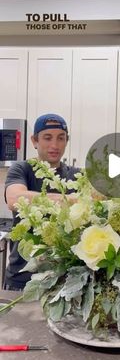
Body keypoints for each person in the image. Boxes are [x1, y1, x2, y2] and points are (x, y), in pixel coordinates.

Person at [4, 113, 80, 291]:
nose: (55, 145)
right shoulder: (22, 169)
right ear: (34, 141)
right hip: (23, 280)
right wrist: (67, 200)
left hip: (64, 282)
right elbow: (14, 198)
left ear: (66, 141)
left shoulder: (76, 175)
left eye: (61, 138)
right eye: (47, 138)